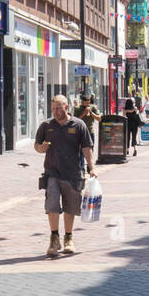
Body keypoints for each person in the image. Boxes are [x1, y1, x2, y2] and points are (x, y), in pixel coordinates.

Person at [34, 94, 96, 256]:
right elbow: (37, 145)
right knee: (52, 205)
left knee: (71, 207)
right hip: (52, 172)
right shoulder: (46, 126)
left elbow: (86, 148)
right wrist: (41, 149)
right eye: (53, 108)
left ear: (66, 107)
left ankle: (68, 237)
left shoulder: (78, 125)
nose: (55, 111)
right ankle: (54, 238)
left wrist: (92, 168)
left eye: (58, 108)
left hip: (73, 173)